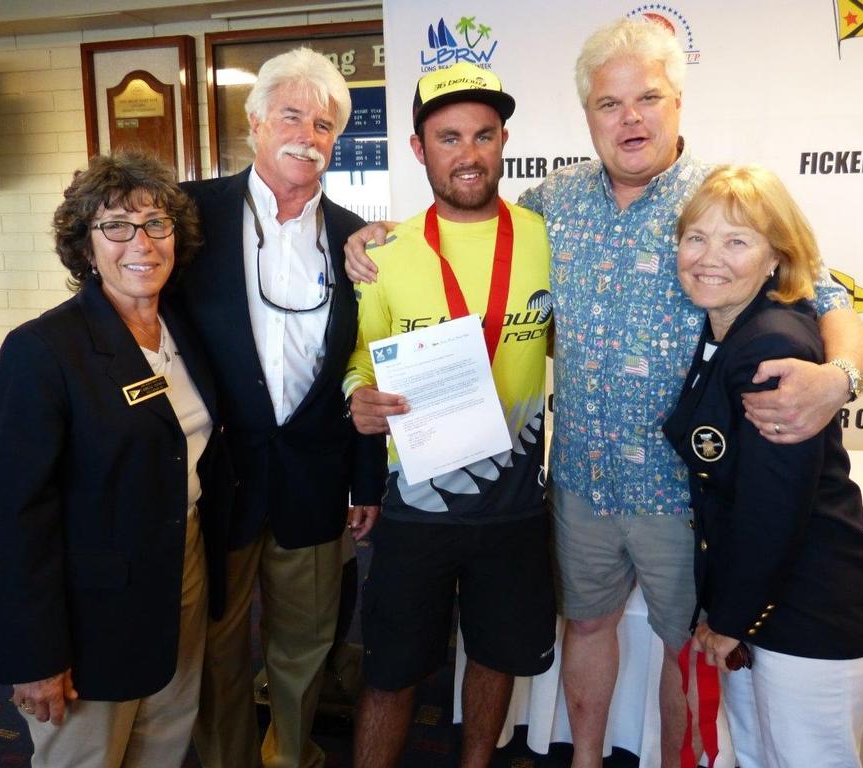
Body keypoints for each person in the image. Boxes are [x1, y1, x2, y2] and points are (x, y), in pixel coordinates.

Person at [344, 17, 863, 767]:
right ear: (587, 115)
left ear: (678, 102)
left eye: (647, 98)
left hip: (680, 490)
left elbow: (829, 298)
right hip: (581, 483)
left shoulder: (723, 201)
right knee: (585, 629)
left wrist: (838, 376)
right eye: (608, 104)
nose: (629, 119)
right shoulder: (551, 204)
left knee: (681, 647)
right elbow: (464, 220)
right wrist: (372, 237)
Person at [0, 150, 235, 767]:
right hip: (88, 600)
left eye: (156, 223)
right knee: (86, 755)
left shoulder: (182, 331)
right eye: (116, 225)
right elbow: (14, 517)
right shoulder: (43, 350)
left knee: (163, 738)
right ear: (86, 246)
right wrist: (34, 656)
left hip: (179, 569)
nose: (141, 242)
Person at [176, 47, 385, 768]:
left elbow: (363, 360)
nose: (308, 133)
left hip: (316, 478)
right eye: (292, 114)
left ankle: (291, 756)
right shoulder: (189, 215)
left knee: (305, 645)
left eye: (324, 123)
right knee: (220, 648)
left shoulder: (358, 239)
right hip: (220, 477)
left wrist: (367, 480)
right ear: (256, 121)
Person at [344, 61, 555, 768]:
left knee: (496, 656)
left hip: (516, 501)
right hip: (417, 502)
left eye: (484, 135)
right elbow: (362, 359)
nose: (469, 154)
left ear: (503, 141)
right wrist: (357, 397)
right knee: (392, 669)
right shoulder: (384, 252)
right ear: (417, 148)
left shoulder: (547, 238)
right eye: (449, 137)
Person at [662, 164, 863, 767]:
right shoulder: (725, 329)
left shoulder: (771, 346)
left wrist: (732, 620)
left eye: (736, 241)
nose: (709, 256)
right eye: (696, 238)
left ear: (776, 260)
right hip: (769, 610)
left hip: (809, 615)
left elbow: (774, 507)